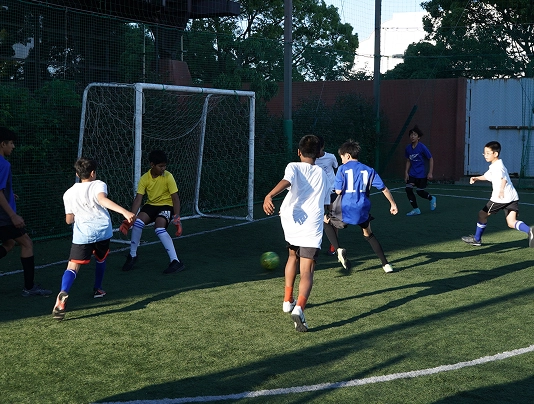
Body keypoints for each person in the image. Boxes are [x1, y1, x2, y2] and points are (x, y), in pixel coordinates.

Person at [52, 158, 135, 320]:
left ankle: (63, 293)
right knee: (101, 259)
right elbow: (102, 199)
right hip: (103, 231)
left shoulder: (68, 193)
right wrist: (125, 212)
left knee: (73, 266)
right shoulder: (98, 184)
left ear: (77, 174)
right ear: (93, 173)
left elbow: (69, 220)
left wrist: (78, 213)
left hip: (83, 234)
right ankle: (98, 289)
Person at [263, 135, 330, 332]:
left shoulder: (293, 165)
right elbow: (326, 203)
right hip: (311, 224)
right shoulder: (323, 174)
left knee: (292, 255)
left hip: (291, 219)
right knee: (307, 270)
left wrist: (269, 195)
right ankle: (299, 307)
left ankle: (287, 300)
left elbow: (286, 181)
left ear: (299, 152)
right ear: (318, 154)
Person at [324, 139, 398, 273]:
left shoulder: (342, 169)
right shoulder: (369, 170)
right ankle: (386, 265)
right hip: (363, 208)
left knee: (326, 221)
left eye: (341, 157)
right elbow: (384, 188)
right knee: (368, 234)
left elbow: (338, 191)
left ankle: (338, 248)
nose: (341, 160)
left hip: (345, 209)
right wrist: (393, 204)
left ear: (347, 155)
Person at [0, 127, 51, 297]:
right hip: (4, 217)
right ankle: (29, 288)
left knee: (9, 244)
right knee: (27, 243)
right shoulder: (4, 164)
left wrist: (9, 194)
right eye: (12, 143)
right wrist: (13, 215)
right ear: (3, 144)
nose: (13, 147)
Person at [121, 150, 185, 274]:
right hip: (151, 205)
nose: (163, 169)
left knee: (159, 228)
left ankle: (176, 261)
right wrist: (131, 218)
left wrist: (177, 217)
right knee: (138, 222)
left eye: (165, 166)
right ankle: (132, 255)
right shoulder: (145, 178)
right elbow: (138, 199)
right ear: (152, 165)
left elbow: (175, 198)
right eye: (160, 166)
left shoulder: (168, 176)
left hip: (166, 206)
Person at [462, 141, 534, 247]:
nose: (485, 155)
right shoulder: (496, 165)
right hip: (512, 197)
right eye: (484, 153)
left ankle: (477, 240)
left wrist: (501, 190)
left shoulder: (498, 167)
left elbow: (503, 178)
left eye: (487, 153)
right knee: (511, 222)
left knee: (482, 215)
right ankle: (530, 231)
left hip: (500, 198)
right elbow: (488, 176)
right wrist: (477, 178)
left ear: (495, 154)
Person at [314, 136, 339, 256]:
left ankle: (333, 245)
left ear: (323, 146)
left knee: (333, 218)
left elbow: (336, 168)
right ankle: (313, 244)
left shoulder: (331, 157)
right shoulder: (310, 159)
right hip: (318, 192)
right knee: (317, 218)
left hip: (332, 191)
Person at [404, 125, 437, 216]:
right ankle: (416, 209)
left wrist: (430, 172)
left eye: (415, 135)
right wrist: (406, 172)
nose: (412, 136)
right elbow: (408, 160)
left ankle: (431, 198)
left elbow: (430, 158)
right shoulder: (408, 148)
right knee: (408, 189)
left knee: (419, 192)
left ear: (418, 137)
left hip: (422, 174)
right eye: (411, 135)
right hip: (412, 174)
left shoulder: (422, 147)